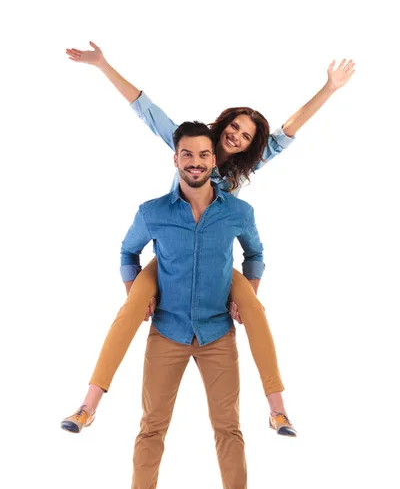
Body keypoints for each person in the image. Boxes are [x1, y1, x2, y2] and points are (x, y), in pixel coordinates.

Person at [61, 42, 355, 436]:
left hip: (215, 256)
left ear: (251, 145)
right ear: (222, 126)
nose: (237, 136)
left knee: (254, 308)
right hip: (174, 251)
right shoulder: (191, 144)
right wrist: (102, 64)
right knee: (129, 311)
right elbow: (147, 110)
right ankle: (87, 406)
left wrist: (330, 88)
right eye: (234, 126)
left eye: (247, 136)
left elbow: (288, 129)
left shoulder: (245, 168)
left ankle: (278, 409)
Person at [117, 121, 264, 489]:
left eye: (203, 155)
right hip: (167, 330)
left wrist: (248, 296)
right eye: (187, 154)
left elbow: (255, 253)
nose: (196, 162)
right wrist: (135, 295)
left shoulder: (238, 212)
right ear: (175, 158)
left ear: (214, 160)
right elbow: (128, 252)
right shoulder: (152, 212)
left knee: (228, 428)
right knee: (151, 427)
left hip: (218, 331)